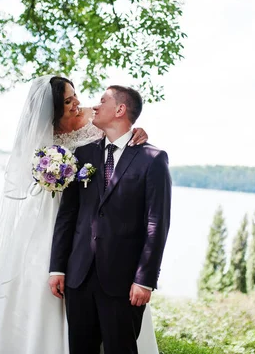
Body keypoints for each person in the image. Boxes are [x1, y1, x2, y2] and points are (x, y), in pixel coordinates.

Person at [0, 76, 156, 354]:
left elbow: (119, 134)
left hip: (91, 214)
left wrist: (139, 132)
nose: (77, 102)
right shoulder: (41, 131)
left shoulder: (92, 118)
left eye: (75, 95)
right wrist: (49, 175)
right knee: (41, 278)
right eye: (67, 100)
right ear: (52, 110)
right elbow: (25, 170)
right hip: (50, 212)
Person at [49, 85, 172, 354]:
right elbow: (68, 215)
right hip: (78, 277)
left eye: (102, 101)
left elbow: (156, 224)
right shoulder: (82, 155)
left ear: (120, 109)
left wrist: (145, 280)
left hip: (123, 281)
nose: (95, 106)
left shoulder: (152, 159)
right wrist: (57, 267)